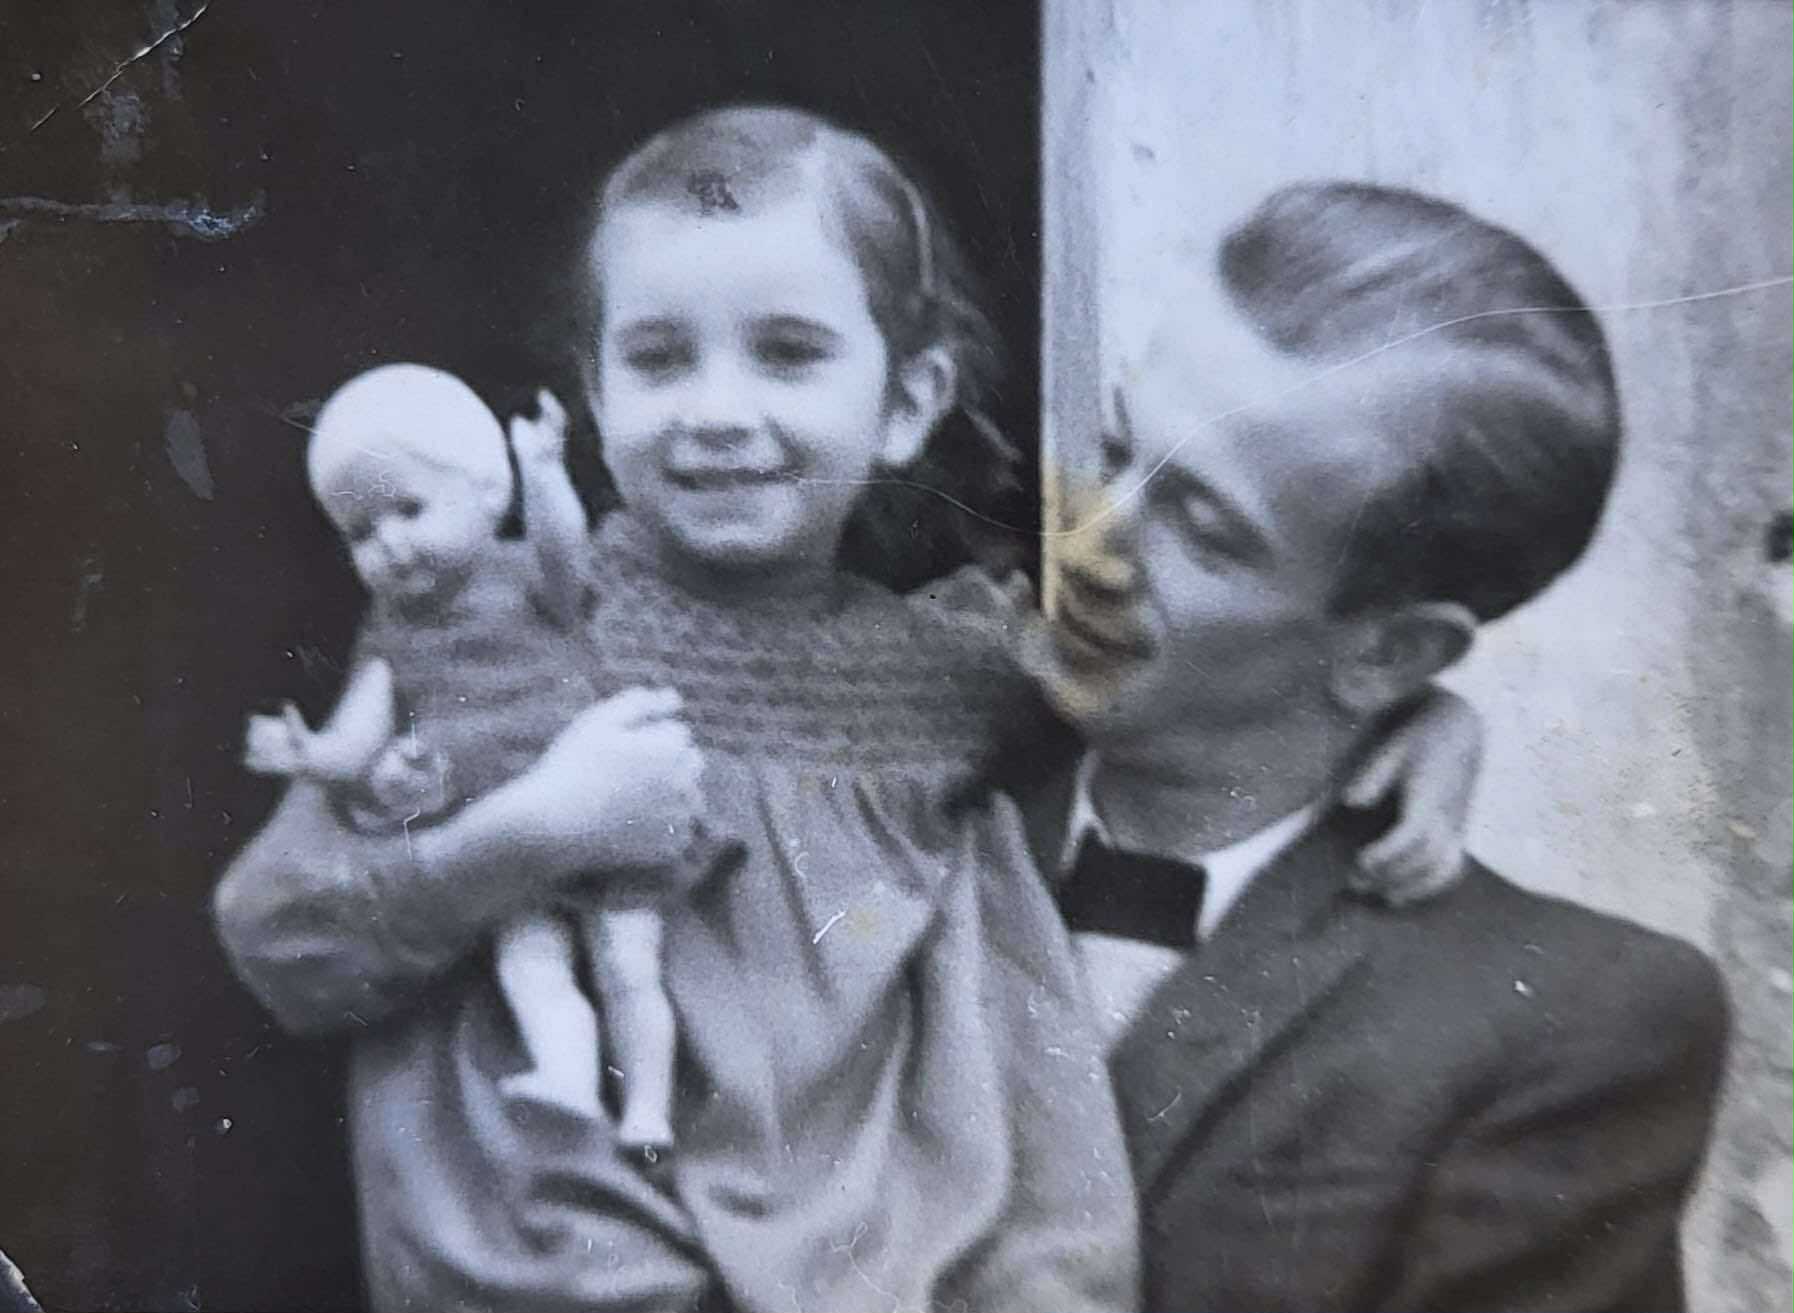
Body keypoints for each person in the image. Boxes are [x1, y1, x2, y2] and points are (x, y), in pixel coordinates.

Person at [216, 105, 1144, 1313]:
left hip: (882, 1268)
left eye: (789, 352)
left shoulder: (953, 679)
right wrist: (533, 831)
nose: (715, 408)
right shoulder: (496, 631)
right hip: (571, 1263)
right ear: (596, 395)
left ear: (909, 400)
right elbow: (280, 933)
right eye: (658, 358)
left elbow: (1190, 711)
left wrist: (1403, 759)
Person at [1018, 181, 1731, 1311]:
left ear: (1392, 653)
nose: (1084, 539)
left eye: (1201, 526)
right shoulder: (874, 791)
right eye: (1114, 449)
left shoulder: (1562, 1025)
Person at [240, 362, 680, 1149]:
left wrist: (543, 471)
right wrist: (311, 752)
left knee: (630, 963)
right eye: (362, 532)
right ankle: (568, 1079)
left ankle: (649, 1107)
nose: (390, 543)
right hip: (507, 836)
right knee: (532, 969)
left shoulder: (526, 576)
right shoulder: (392, 633)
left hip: (611, 804)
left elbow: (565, 547)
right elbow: (359, 735)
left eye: (409, 509)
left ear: (485, 493)